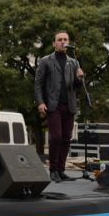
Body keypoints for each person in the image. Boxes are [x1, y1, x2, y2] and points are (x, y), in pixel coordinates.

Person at [35, 31, 84, 182]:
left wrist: (79, 79)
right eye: (60, 40)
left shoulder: (73, 62)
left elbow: (76, 87)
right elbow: (38, 83)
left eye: (65, 39)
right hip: (53, 105)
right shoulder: (45, 61)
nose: (63, 42)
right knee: (56, 137)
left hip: (69, 105)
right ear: (54, 43)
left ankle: (62, 170)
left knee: (66, 138)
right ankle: (53, 170)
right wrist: (41, 102)